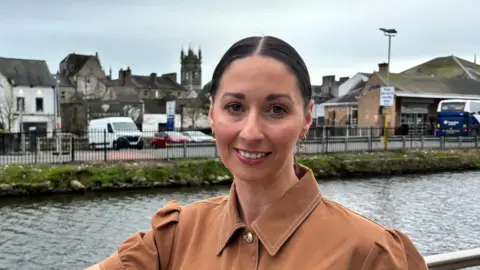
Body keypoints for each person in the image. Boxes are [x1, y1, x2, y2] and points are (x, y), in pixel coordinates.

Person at [87, 36, 428, 270]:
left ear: (307, 117)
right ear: (211, 113)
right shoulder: (174, 238)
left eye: (276, 110)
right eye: (234, 106)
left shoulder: (370, 253)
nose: (250, 132)